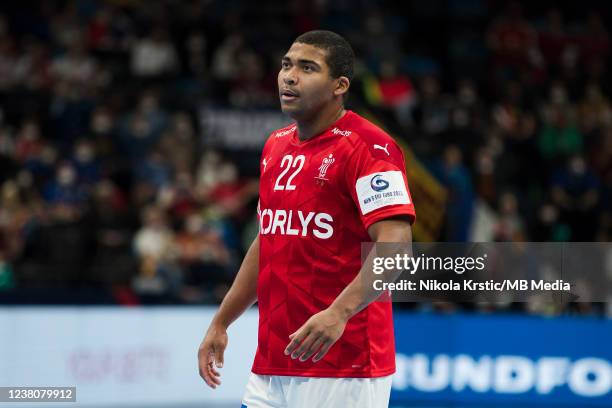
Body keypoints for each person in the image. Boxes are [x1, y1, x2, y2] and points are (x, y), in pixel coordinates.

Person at [198, 30, 416, 408]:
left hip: (343, 363)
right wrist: (222, 321)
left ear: (339, 85)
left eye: (307, 67)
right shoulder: (275, 145)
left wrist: (338, 313)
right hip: (272, 361)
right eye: (286, 65)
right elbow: (269, 239)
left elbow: (396, 248)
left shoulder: (370, 148)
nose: (289, 76)